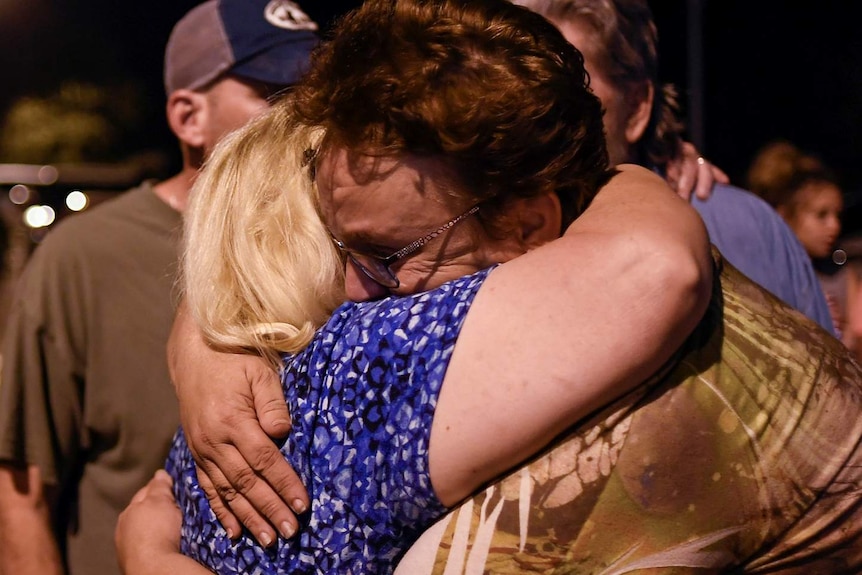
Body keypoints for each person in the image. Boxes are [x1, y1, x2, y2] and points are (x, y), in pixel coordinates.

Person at [120, 0, 862, 572]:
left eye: (385, 252)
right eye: (333, 244)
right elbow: (655, 263)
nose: (352, 289)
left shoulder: (336, 385)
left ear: (530, 222)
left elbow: (649, 268)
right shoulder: (350, 374)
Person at [0, 1, 319, 573]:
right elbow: (22, 494)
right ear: (188, 117)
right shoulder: (85, 256)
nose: (307, 119)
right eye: (275, 95)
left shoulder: (344, 249)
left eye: (318, 97)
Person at [513, 0, 835, 334]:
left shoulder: (740, 228)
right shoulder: (492, 227)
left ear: (637, 108)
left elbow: (827, 379)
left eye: (565, 92)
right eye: (519, 90)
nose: (534, 114)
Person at [747, 140, 859, 350]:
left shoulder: (842, 273)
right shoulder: (765, 276)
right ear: (783, 214)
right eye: (821, 215)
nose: (834, 226)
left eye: (837, 215)